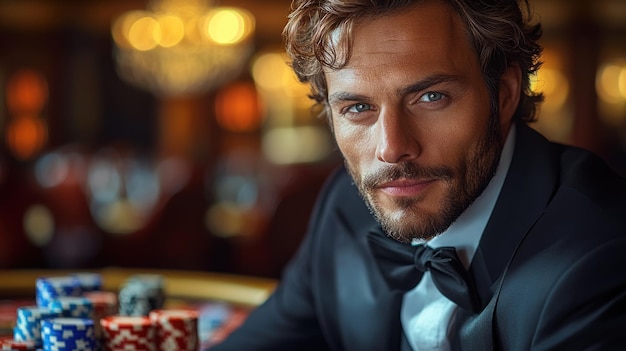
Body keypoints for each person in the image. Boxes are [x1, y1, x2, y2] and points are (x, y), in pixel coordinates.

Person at [209, 0, 626, 350]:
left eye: (430, 97)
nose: (391, 148)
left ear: (503, 95)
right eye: (357, 108)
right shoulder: (346, 207)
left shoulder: (602, 253)